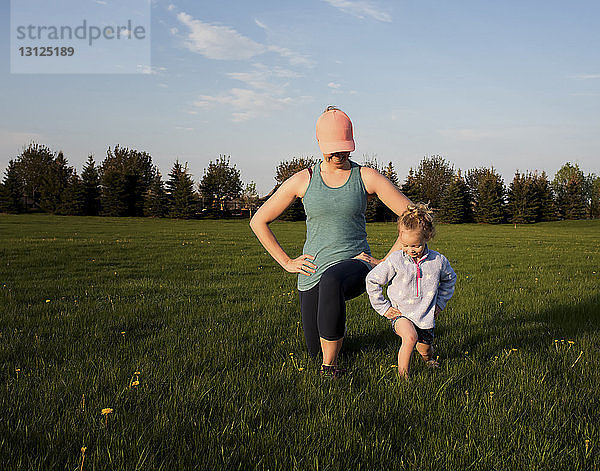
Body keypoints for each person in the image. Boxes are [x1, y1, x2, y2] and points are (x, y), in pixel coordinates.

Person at [250, 106, 412, 377]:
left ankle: (331, 369)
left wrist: (386, 262)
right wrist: (287, 262)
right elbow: (258, 221)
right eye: (332, 149)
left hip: (356, 264)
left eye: (344, 149)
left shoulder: (365, 177)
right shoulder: (304, 180)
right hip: (312, 271)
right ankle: (330, 352)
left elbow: (411, 216)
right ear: (319, 144)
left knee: (332, 280)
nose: (339, 155)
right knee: (315, 349)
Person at [365, 203, 457, 377]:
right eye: (405, 245)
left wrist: (440, 303)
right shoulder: (395, 260)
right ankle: (403, 378)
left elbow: (450, 279)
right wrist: (383, 307)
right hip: (401, 314)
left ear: (427, 237)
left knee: (425, 349)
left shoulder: (438, 261)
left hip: (425, 315)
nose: (410, 250)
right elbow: (372, 280)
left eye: (415, 246)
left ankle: (427, 360)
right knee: (410, 338)